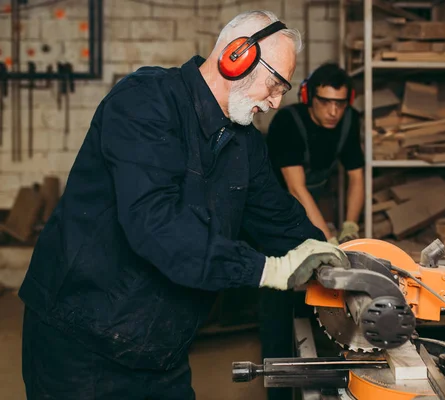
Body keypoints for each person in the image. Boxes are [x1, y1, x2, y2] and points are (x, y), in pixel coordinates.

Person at [18, 10, 350, 400]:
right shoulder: (145, 102)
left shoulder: (244, 143)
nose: (277, 102)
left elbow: (278, 216)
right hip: (81, 341)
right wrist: (265, 269)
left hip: (161, 349)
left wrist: (335, 260)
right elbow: (155, 223)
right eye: (275, 84)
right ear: (236, 56)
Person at [265, 63, 365, 245]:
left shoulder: (350, 120)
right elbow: (296, 189)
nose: (333, 112)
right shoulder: (288, 122)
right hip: (275, 203)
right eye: (325, 102)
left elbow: (356, 176)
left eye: (340, 104)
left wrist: (351, 226)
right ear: (308, 97)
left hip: (312, 199)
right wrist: (329, 240)